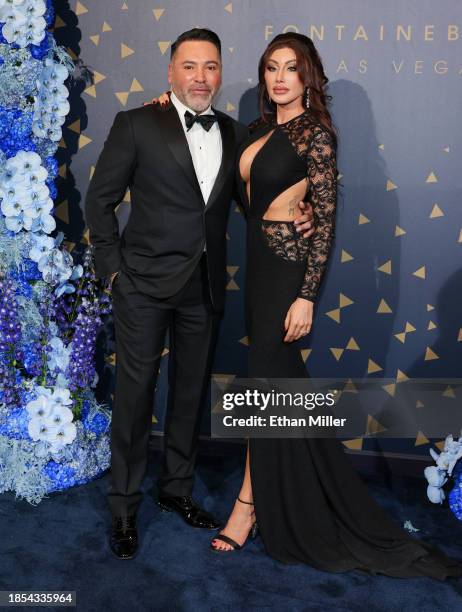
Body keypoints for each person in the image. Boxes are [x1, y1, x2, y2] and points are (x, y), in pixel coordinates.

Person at [209, 32, 462, 581]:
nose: (280, 78)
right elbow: (242, 199)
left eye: (291, 69)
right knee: (270, 391)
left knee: (267, 386)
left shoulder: (317, 136)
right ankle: (274, 495)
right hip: (258, 270)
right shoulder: (255, 131)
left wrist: (306, 296)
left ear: (308, 78)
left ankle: (248, 507)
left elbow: (323, 223)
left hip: (286, 273)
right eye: (272, 67)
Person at [85, 28, 314, 560]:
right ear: (171, 72)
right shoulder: (137, 122)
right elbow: (100, 201)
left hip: (204, 286)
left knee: (189, 396)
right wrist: (114, 272)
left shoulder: (236, 134)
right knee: (135, 398)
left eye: (210, 67)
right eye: (189, 66)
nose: (200, 77)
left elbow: (255, 204)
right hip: (141, 286)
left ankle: (177, 491)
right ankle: (123, 508)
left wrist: (300, 217)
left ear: (220, 72)